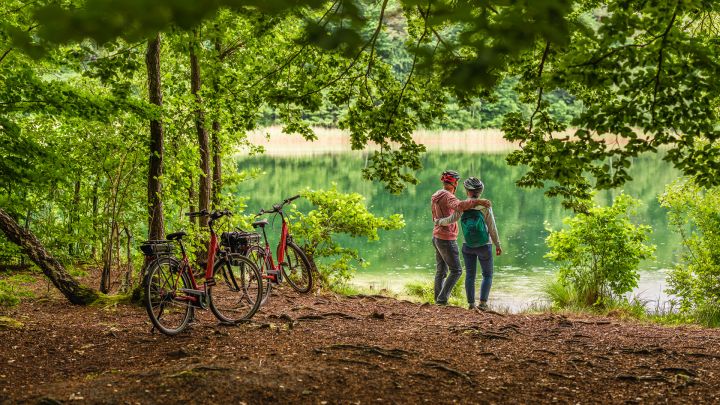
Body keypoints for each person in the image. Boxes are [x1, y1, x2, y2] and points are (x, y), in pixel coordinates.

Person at [434, 177, 502, 310]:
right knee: (487, 275)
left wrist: (438, 222)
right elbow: (492, 227)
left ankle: (471, 304)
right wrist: (497, 245)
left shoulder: (462, 206)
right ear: (480, 191)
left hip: (468, 246)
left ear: (467, 191)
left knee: (470, 275)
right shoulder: (485, 206)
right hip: (484, 246)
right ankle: (482, 304)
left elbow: (451, 219)